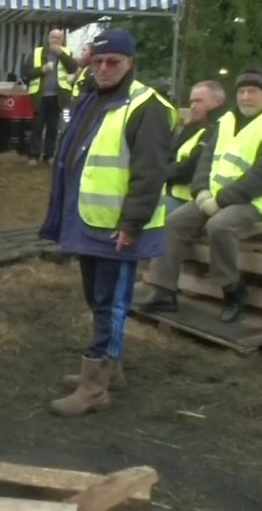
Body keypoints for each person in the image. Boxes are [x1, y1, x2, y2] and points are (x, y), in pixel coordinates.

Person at [39, 29, 176, 417]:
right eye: (97, 61)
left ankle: (96, 387)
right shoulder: (94, 98)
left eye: (112, 62)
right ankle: (108, 370)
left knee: (112, 303)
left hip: (119, 228)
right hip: (90, 221)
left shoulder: (146, 107)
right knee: (98, 300)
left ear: (131, 62)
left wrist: (132, 224)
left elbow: (150, 173)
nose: (103, 68)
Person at [139, 64, 262, 322]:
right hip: (213, 196)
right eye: (242, 91)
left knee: (219, 226)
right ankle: (163, 291)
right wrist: (202, 191)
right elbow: (206, 158)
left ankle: (232, 290)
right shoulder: (227, 120)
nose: (246, 97)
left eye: (253, 91)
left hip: (255, 202)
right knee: (173, 222)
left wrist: (220, 201)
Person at [164, 80, 227, 213]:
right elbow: (168, 153)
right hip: (170, 193)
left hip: (192, 201)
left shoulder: (219, 129)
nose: (192, 106)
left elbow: (189, 169)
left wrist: (158, 172)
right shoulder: (193, 126)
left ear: (217, 102)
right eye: (191, 101)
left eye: (199, 101)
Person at [22, 29, 79, 165]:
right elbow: (26, 72)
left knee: (53, 128)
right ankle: (34, 156)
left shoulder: (66, 53)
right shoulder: (37, 53)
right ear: (48, 38)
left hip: (58, 97)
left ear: (62, 40)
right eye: (53, 37)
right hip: (40, 96)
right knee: (37, 127)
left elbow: (73, 68)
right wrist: (42, 70)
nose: (56, 40)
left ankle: (49, 155)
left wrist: (61, 54)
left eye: (59, 38)